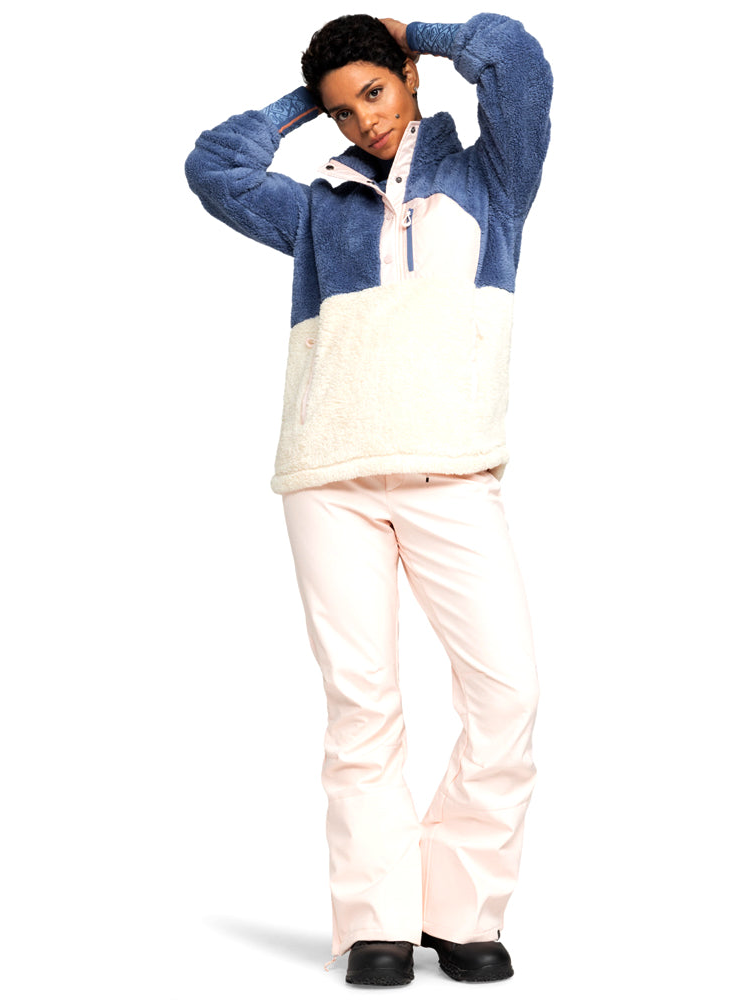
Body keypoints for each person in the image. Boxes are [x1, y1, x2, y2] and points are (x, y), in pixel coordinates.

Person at [185, 13, 552, 987]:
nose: (365, 120)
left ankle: (460, 910)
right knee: (362, 704)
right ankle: (376, 922)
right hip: (329, 477)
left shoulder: (492, 179)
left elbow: (516, 60)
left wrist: (416, 32)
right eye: (344, 110)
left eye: (375, 93)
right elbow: (214, 168)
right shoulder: (316, 209)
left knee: (507, 692)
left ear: (411, 79)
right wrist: (305, 102)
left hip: (454, 472)